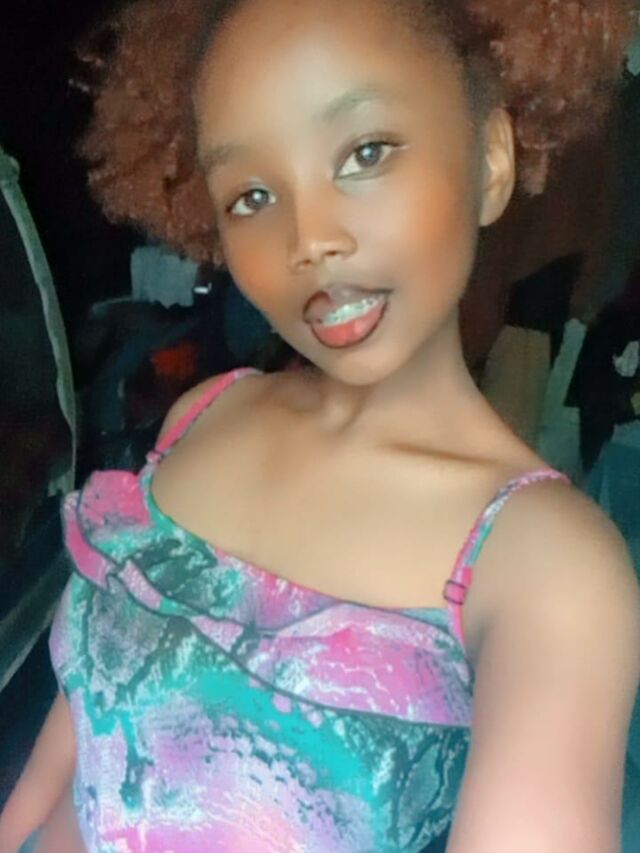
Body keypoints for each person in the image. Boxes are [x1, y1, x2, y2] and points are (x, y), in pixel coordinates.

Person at [1, 0, 639, 850]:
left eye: (365, 153)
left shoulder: (543, 566)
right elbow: (68, 743)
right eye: (253, 194)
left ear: (489, 159)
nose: (309, 239)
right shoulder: (205, 414)